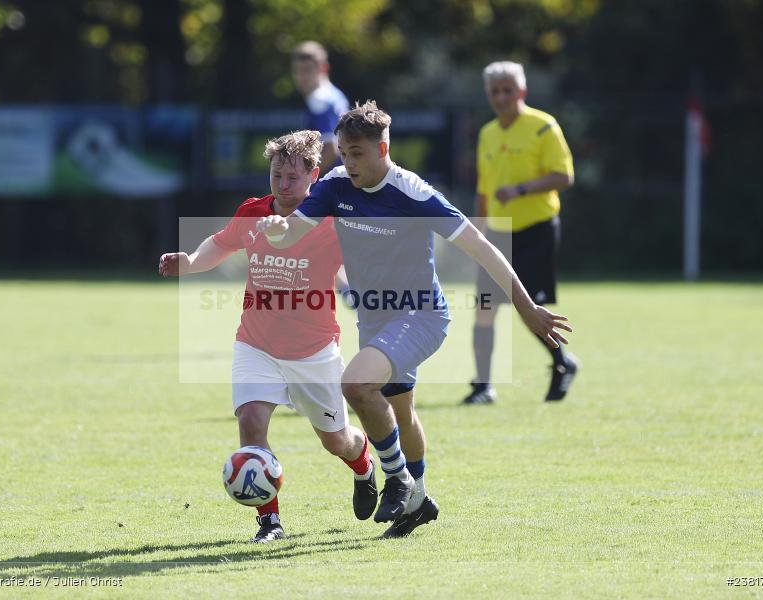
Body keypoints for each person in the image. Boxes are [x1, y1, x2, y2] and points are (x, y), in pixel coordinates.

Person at [256, 101, 572, 535]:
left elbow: (483, 247)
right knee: (400, 413)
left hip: (420, 314)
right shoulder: (333, 185)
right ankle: (418, 500)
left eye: (358, 154)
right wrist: (277, 229)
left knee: (356, 384)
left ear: (382, 147)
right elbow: (296, 230)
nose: (348, 163)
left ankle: (398, 478)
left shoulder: (413, 193)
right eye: (344, 153)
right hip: (374, 317)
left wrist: (526, 306)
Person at [158, 130, 377, 543]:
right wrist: (190, 262)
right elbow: (220, 244)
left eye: (293, 177)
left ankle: (364, 467)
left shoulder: (332, 220)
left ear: (314, 175)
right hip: (255, 344)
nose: (283, 184)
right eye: (277, 174)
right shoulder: (253, 211)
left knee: (337, 442)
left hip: (314, 351)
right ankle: (269, 521)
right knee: (252, 422)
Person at [463, 61, 578, 406]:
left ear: (522, 92)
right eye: (495, 91)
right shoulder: (487, 133)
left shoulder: (543, 127)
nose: (501, 97)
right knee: (484, 306)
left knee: (530, 306)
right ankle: (483, 386)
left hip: (535, 230)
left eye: (507, 90)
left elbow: (564, 176)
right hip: (496, 234)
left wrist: (522, 189)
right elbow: (483, 189)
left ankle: (563, 363)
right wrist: (475, 234)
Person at [291, 41, 349, 174]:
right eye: (298, 70)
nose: (301, 77)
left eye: (307, 70)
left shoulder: (319, 99)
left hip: (330, 182)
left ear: (323, 68)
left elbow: (331, 149)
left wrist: (303, 177)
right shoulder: (336, 94)